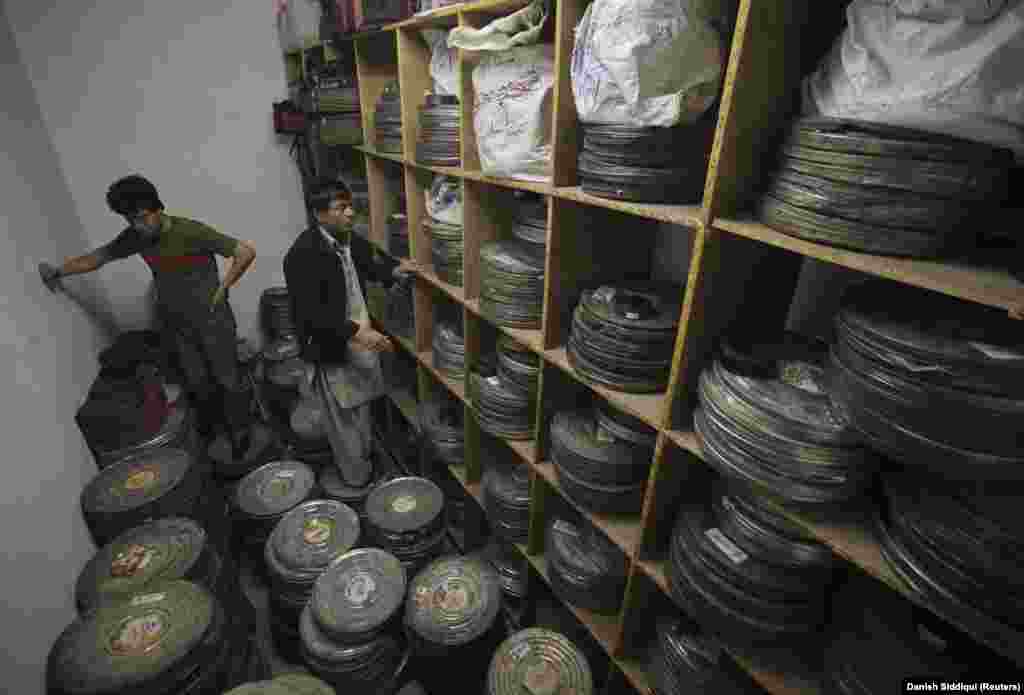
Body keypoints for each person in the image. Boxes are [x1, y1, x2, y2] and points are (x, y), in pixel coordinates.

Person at [40, 175, 257, 458]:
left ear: (158, 208)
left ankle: (240, 431)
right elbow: (98, 257)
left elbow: (245, 252)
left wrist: (223, 288)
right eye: (130, 220)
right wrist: (59, 271)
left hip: (212, 321)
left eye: (142, 218)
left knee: (226, 378)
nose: (138, 226)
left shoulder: (191, 231)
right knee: (197, 380)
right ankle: (214, 430)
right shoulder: (136, 237)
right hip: (177, 323)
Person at [283, 179, 394, 486]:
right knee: (342, 421)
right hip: (331, 347)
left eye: (350, 205)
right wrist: (359, 333)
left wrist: (393, 273)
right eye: (340, 207)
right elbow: (312, 316)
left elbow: (367, 266)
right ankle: (357, 480)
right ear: (319, 214)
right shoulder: (303, 255)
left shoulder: (345, 238)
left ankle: (365, 462)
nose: (350, 213)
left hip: (357, 340)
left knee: (360, 411)